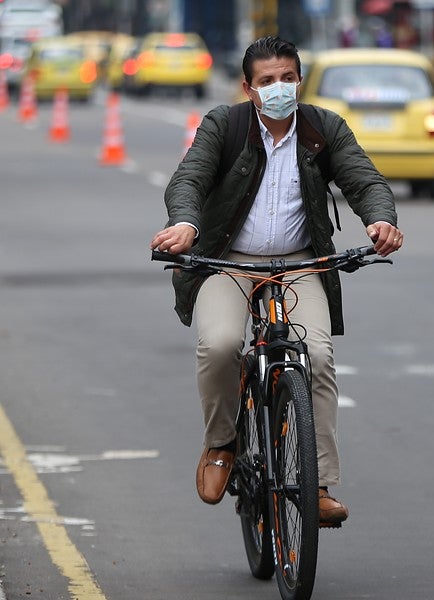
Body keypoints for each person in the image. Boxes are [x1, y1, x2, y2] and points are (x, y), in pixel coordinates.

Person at [149, 36, 403, 524]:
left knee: (320, 357)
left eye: (287, 78)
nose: (279, 88)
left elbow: (365, 180)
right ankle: (222, 444)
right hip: (227, 261)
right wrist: (185, 222)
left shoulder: (323, 127)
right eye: (267, 81)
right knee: (221, 344)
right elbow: (189, 181)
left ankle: (321, 485)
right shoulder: (225, 126)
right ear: (248, 88)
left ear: (300, 82)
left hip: (300, 263)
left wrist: (380, 219)